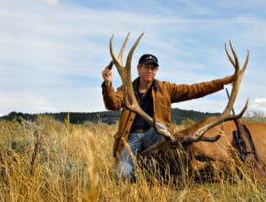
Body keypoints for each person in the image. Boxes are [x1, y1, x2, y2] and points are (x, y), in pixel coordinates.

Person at [101, 53, 235, 181]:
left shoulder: (165, 88)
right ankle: (141, 169)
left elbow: (193, 90)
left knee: (160, 128)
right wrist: (107, 84)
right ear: (138, 69)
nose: (150, 71)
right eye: (146, 67)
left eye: (153, 68)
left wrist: (222, 82)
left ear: (156, 71)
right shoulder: (126, 89)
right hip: (131, 136)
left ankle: (153, 169)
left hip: (155, 136)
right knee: (122, 176)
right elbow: (113, 104)